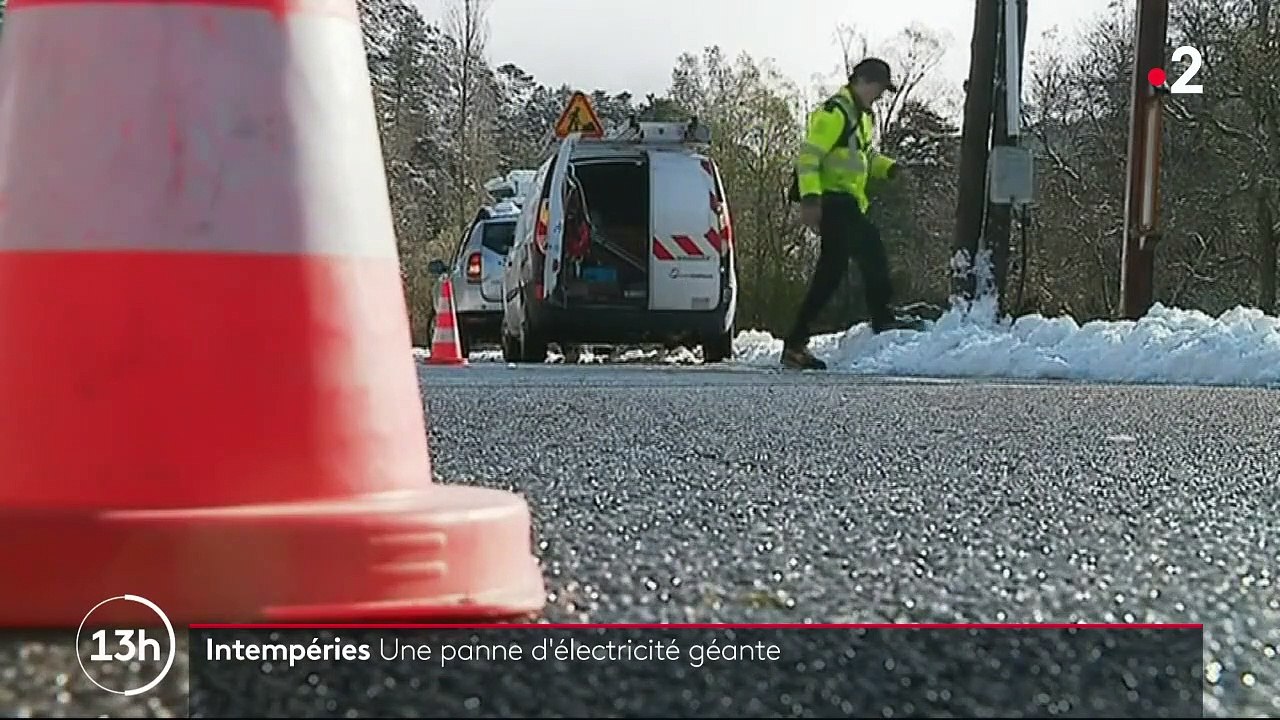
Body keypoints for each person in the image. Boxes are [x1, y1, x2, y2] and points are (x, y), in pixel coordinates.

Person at [782, 57, 919, 371]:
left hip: (847, 202)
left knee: (831, 273)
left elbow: (865, 156)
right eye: (880, 90)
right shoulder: (836, 112)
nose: (880, 96)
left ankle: (796, 342)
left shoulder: (862, 117)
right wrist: (811, 200)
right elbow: (809, 157)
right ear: (864, 82)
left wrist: (891, 168)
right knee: (870, 248)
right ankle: (882, 319)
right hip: (832, 200)